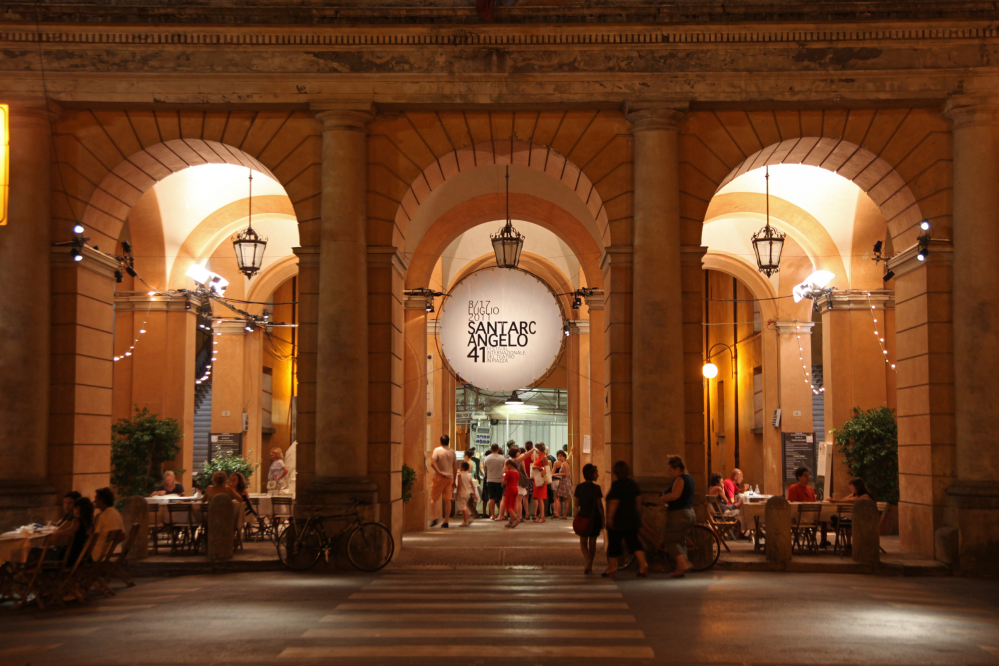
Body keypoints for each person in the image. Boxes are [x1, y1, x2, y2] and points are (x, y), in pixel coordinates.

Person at [603, 461, 648, 577]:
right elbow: (638, 500)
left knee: (614, 543)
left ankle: (612, 566)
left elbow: (614, 503)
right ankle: (643, 564)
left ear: (616, 473)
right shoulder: (633, 483)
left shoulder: (616, 485)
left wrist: (609, 518)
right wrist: (637, 514)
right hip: (632, 518)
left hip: (619, 519)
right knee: (634, 542)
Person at [660, 455, 695, 578]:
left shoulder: (680, 479)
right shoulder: (689, 478)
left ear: (678, 468)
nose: (670, 473)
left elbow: (675, 495)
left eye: (671, 470)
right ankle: (680, 569)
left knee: (670, 540)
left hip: (679, 513)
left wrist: (663, 498)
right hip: (689, 512)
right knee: (680, 540)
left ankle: (683, 563)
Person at [573, 463, 604, 574]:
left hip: (584, 516)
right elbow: (600, 505)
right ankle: (590, 564)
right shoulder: (597, 488)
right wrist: (603, 519)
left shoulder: (579, 487)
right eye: (596, 473)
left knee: (583, 542)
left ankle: (587, 558)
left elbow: (576, 504)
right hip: (595, 517)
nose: (598, 475)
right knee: (593, 541)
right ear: (591, 474)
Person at [429, 434, 457, 528]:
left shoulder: (437, 450)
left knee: (433, 498)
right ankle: (446, 521)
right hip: (449, 478)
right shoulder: (452, 452)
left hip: (439, 477)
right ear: (448, 442)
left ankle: (434, 517)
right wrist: (454, 479)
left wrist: (439, 472)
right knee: (448, 499)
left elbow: (432, 463)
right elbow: (455, 467)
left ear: (440, 442)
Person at [93, 487, 124, 560]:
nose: (94, 501)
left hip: (96, 555)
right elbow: (123, 536)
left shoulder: (101, 516)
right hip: (108, 554)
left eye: (96, 498)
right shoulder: (117, 514)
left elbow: (94, 536)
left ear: (101, 501)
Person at [482, 443, 505, 520]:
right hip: (500, 479)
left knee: (491, 497)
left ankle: (492, 515)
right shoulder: (502, 458)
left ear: (491, 449)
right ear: (498, 449)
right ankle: (501, 514)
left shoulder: (487, 458)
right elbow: (505, 468)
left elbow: (485, 468)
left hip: (490, 480)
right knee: (501, 498)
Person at [531, 443, 550, 523]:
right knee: (538, 499)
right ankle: (541, 516)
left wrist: (537, 467)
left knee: (540, 499)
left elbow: (546, 469)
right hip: (537, 479)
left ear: (539, 448)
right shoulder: (539, 456)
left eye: (536, 448)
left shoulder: (544, 457)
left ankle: (542, 516)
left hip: (541, 479)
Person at [552, 450, 572, 519]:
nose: (559, 457)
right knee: (564, 499)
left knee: (564, 499)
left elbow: (566, 473)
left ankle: (563, 514)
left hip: (564, 482)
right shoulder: (565, 463)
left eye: (561, 456)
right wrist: (571, 452)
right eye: (558, 456)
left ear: (564, 456)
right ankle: (564, 515)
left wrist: (556, 474)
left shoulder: (564, 463)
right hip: (565, 481)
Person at [502, 458, 521, 528]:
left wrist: (503, 477)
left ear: (509, 465)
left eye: (506, 466)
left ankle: (516, 519)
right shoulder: (517, 472)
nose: (506, 467)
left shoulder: (509, 472)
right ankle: (511, 522)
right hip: (516, 488)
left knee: (508, 506)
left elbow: (504, 482)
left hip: (510, 489)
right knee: (512, 505)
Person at [455, 461, 476, 527]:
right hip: (467, 492)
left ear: (462, 468)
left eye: (460, 466)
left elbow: (459, 485)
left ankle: (465, 521)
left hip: (462, 493)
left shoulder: (460, 475)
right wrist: (475, 493)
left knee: (462, 507)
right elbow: (472, 485)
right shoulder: (469, 474)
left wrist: (456, 494)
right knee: (465, 506)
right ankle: (468, 518)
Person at [463, 450, 481, 517]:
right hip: (473, 480)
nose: (463, 457)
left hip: (469, 481)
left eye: (464, 456)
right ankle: (474, 512)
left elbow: (468, 472)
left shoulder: (468, 463)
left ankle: (473, 512)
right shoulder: (473, 462)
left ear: (466, 456)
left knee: (467, 498)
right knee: (471, 498)